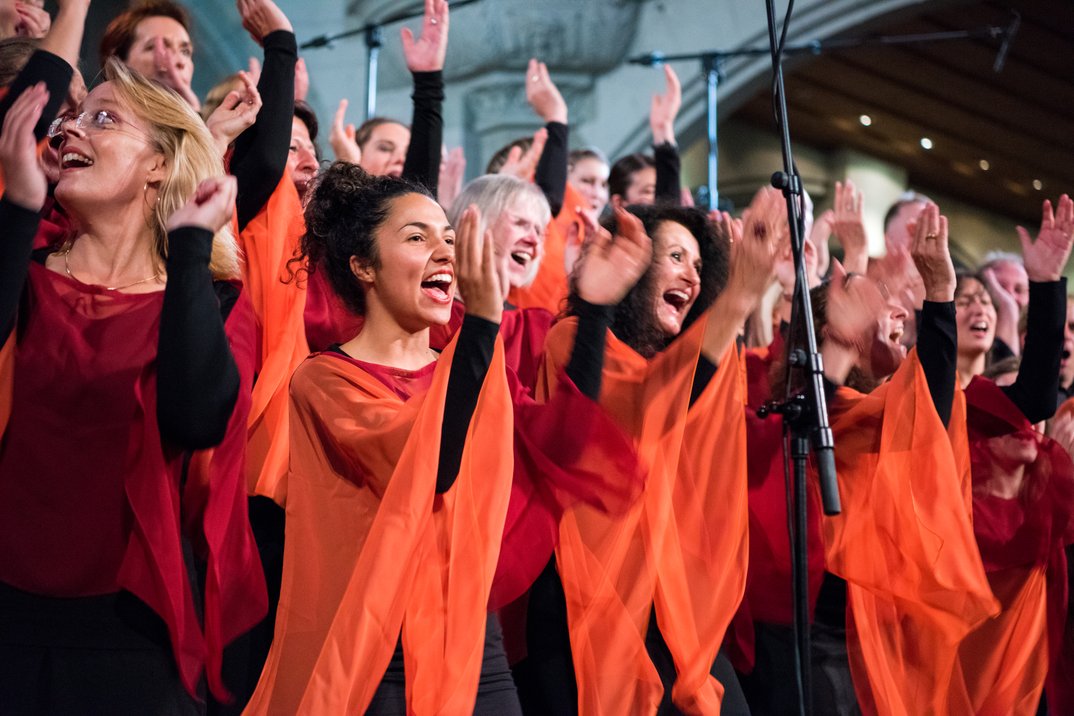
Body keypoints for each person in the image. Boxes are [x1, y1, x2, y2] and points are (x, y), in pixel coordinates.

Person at [246, 161, 648, 714]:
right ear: (363, 265)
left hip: (476, 648)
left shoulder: (474, 369)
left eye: (450, 239)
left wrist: (596, 309)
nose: (445, 253)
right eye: (418, 237)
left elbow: (562, 447)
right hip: (377, 657)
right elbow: (428, 464)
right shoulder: (325, 380)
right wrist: (480, 324)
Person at [0, 60, 265, 711]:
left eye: (103, 118)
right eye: (72, 118)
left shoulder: (213, 302)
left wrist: (192, 248)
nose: (70, 129)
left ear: (159, 165)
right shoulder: (19, 273)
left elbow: (195, 418)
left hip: (131, 640)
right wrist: (17, 207)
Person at [519, 193, 785, 714]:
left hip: (669, 606)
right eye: (675, 257)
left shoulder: (695, 363)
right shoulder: (573, 338)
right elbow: (652, 406)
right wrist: (737, 299)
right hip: (583, 601)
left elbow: (695, 398)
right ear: (635, 269)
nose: (691, 276)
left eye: (700, 266)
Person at [740, 204, 998, 715]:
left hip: (871, 639)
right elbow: (816, 415)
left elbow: (931, 406)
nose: (901, 314)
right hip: (803, 645)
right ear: (833, 322)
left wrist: (940, 291)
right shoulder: (804, 409)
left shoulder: (883, 413)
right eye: (880, 302)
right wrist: (840, 342)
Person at [951, 195, 1074, 714]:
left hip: (1033, 677)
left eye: (985, 300)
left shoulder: (1048, 507)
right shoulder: (956, 495)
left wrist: (1046, 283)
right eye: (1007, 412)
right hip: (959, 670)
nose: (1023, 424)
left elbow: (1037, 395)